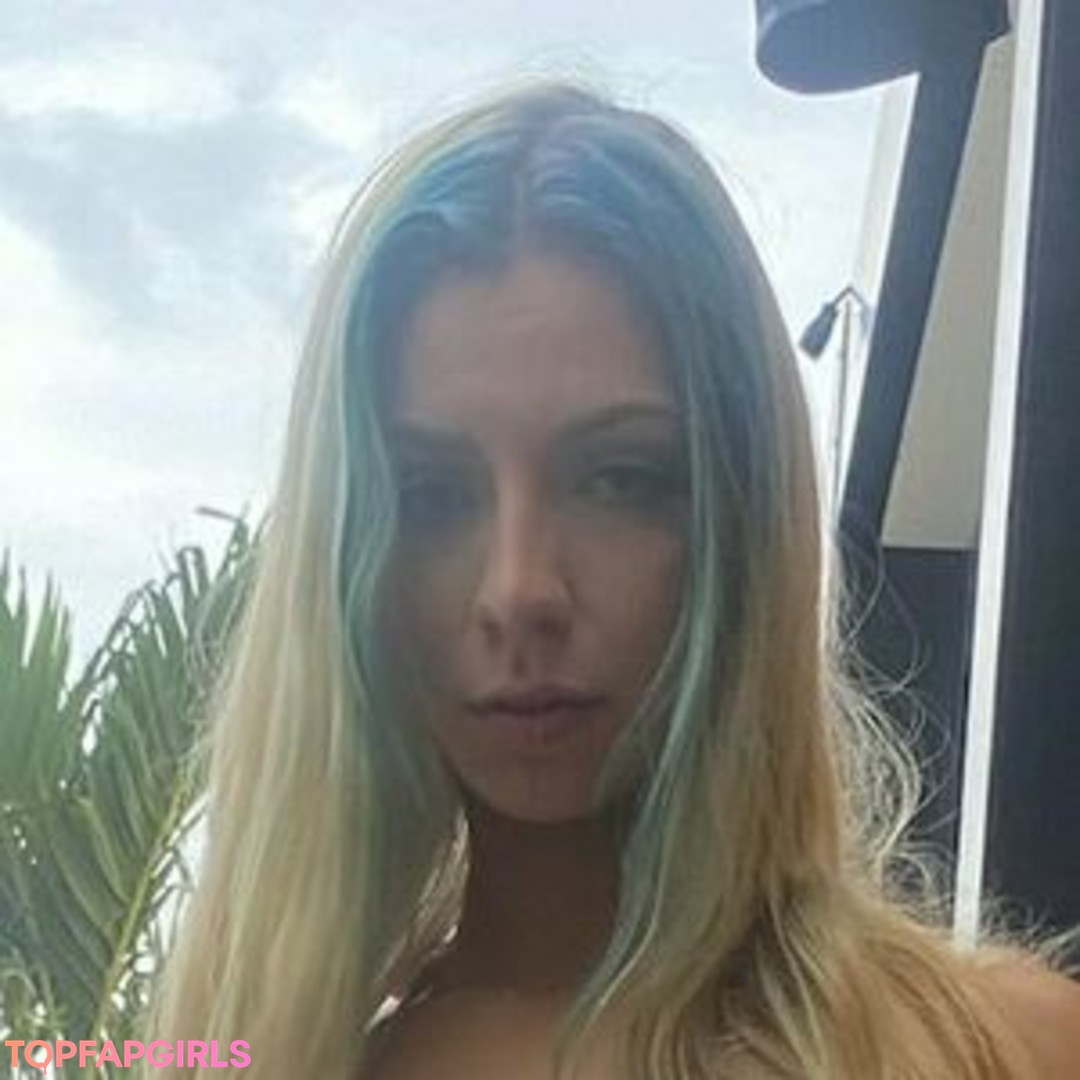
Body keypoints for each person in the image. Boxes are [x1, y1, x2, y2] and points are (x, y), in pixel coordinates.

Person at [143, 80, 1080, 1079]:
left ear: (741, 517)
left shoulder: (1006, 1048)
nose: (518, 590)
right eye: (430, 493)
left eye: (620, 478)